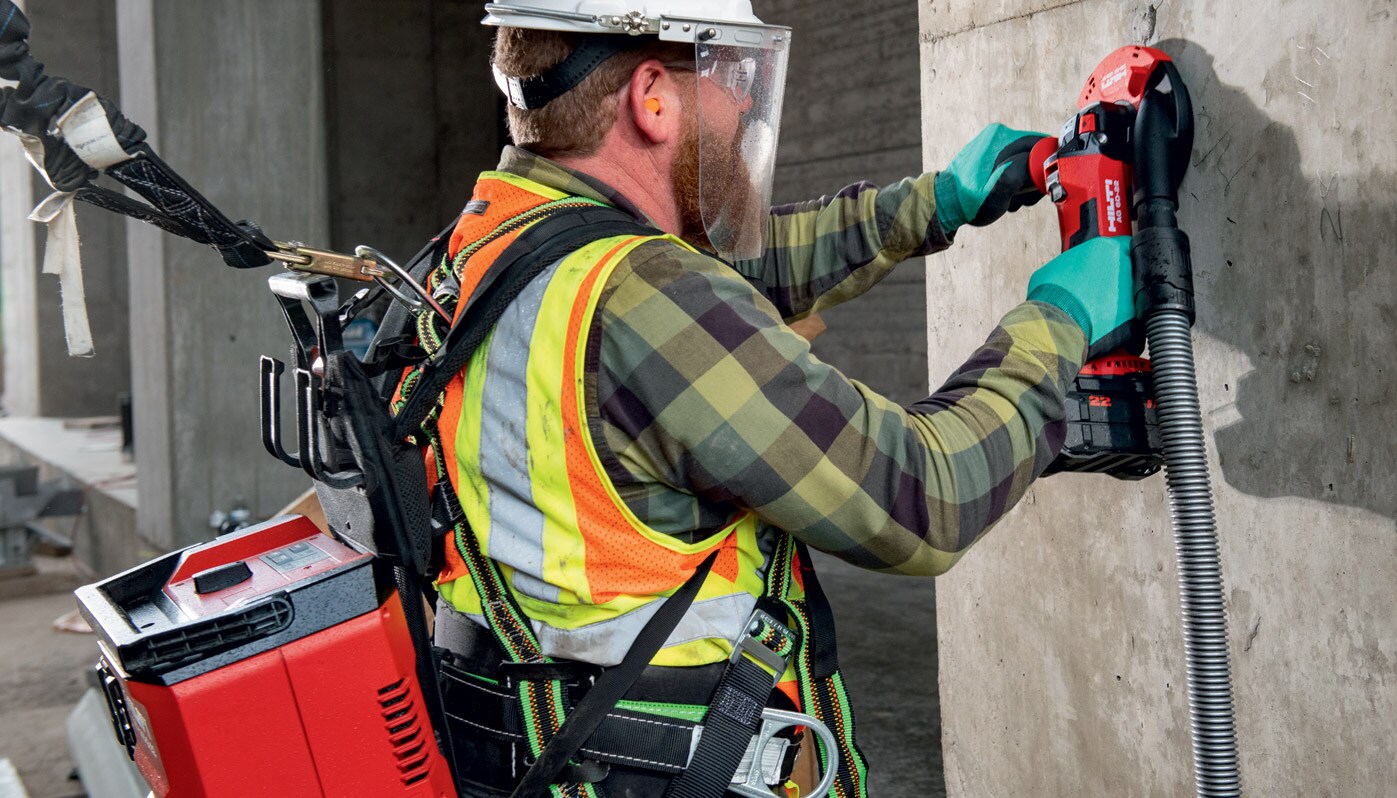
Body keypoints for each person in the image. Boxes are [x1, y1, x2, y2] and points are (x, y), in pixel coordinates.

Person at [398, 2, 1137, 796]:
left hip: (541, 749)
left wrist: (938, 200)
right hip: (668, 765)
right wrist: (1061, 319)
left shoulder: (485, 247)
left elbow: (731, 271)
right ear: (652, 98)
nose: (745, 102)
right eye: (728, 77)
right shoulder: (643, 296)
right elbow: (923, 497)